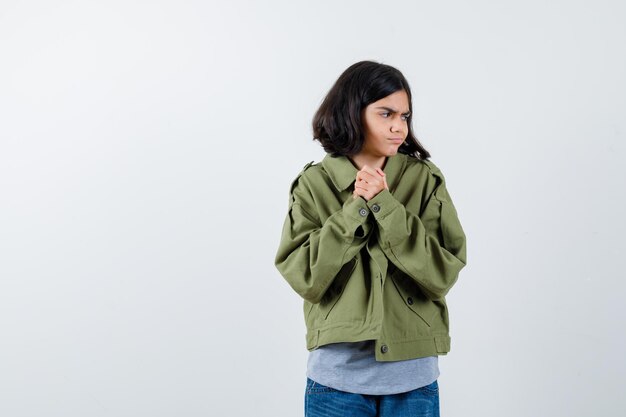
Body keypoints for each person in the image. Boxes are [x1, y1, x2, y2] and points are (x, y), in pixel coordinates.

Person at [274, 61, 468, 417]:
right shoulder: (313, 186)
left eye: (405, 116)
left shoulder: (424, 180)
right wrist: (355, 209)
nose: (399, 127)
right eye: (386, 113)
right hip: (335, 384)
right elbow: (305, 277)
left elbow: (441, 272)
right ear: (352, 114)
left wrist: (384, 203)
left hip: (412, 382)